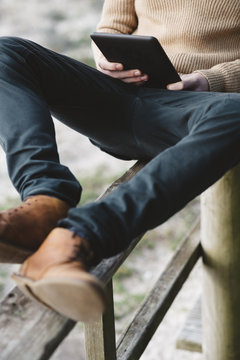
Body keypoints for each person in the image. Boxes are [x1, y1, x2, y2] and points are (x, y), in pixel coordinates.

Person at [0, 0, 239, 322]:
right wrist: (107, 59)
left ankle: (78, 239)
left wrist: (210, 79)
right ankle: (45, 202)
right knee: (7, 51)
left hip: (201, 104)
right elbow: (113, 25)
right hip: (119, 95)